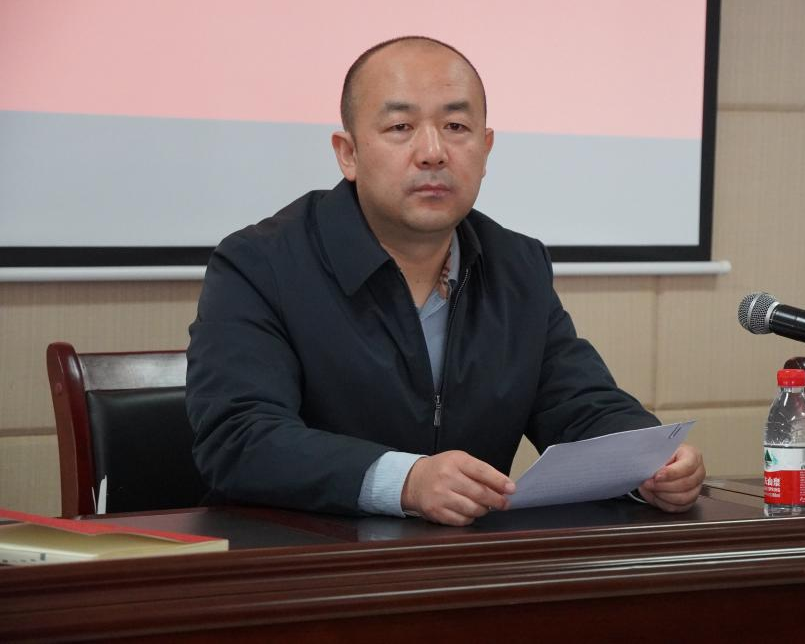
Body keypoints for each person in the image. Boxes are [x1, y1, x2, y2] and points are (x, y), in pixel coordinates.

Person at [186, 36, 705, 526]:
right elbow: (239, 439)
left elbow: (580, 405)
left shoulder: (515, 265)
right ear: (348, 153)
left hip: (462, 566)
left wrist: (651, 460)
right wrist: (406, 482)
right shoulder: (261, 264)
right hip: (301, 561)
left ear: (486, 147)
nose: (433, 152)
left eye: (456, 127)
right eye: (400, 127)